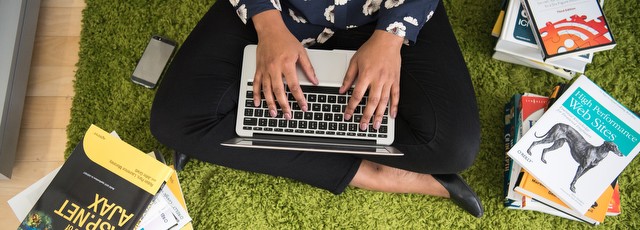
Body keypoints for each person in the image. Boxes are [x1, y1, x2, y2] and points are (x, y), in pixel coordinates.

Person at [150, 0, 484, 217]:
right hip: (276, 9)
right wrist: (269, 26)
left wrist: (390, 38)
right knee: (175, 119)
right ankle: (373, 173)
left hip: (388, 12)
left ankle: (224, 140)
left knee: (455, 146)